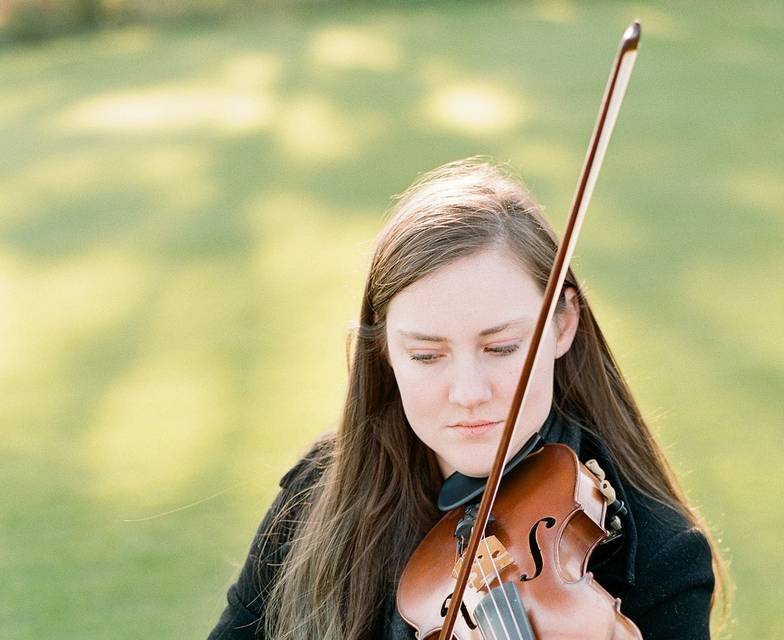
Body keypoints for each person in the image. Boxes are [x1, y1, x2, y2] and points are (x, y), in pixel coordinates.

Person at [208, 159, 729, 640]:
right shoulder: (321, 493)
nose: (469, 394)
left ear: (562, 323)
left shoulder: (662, 558)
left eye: (501, 348)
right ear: (385, 349)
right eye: (427, 356)